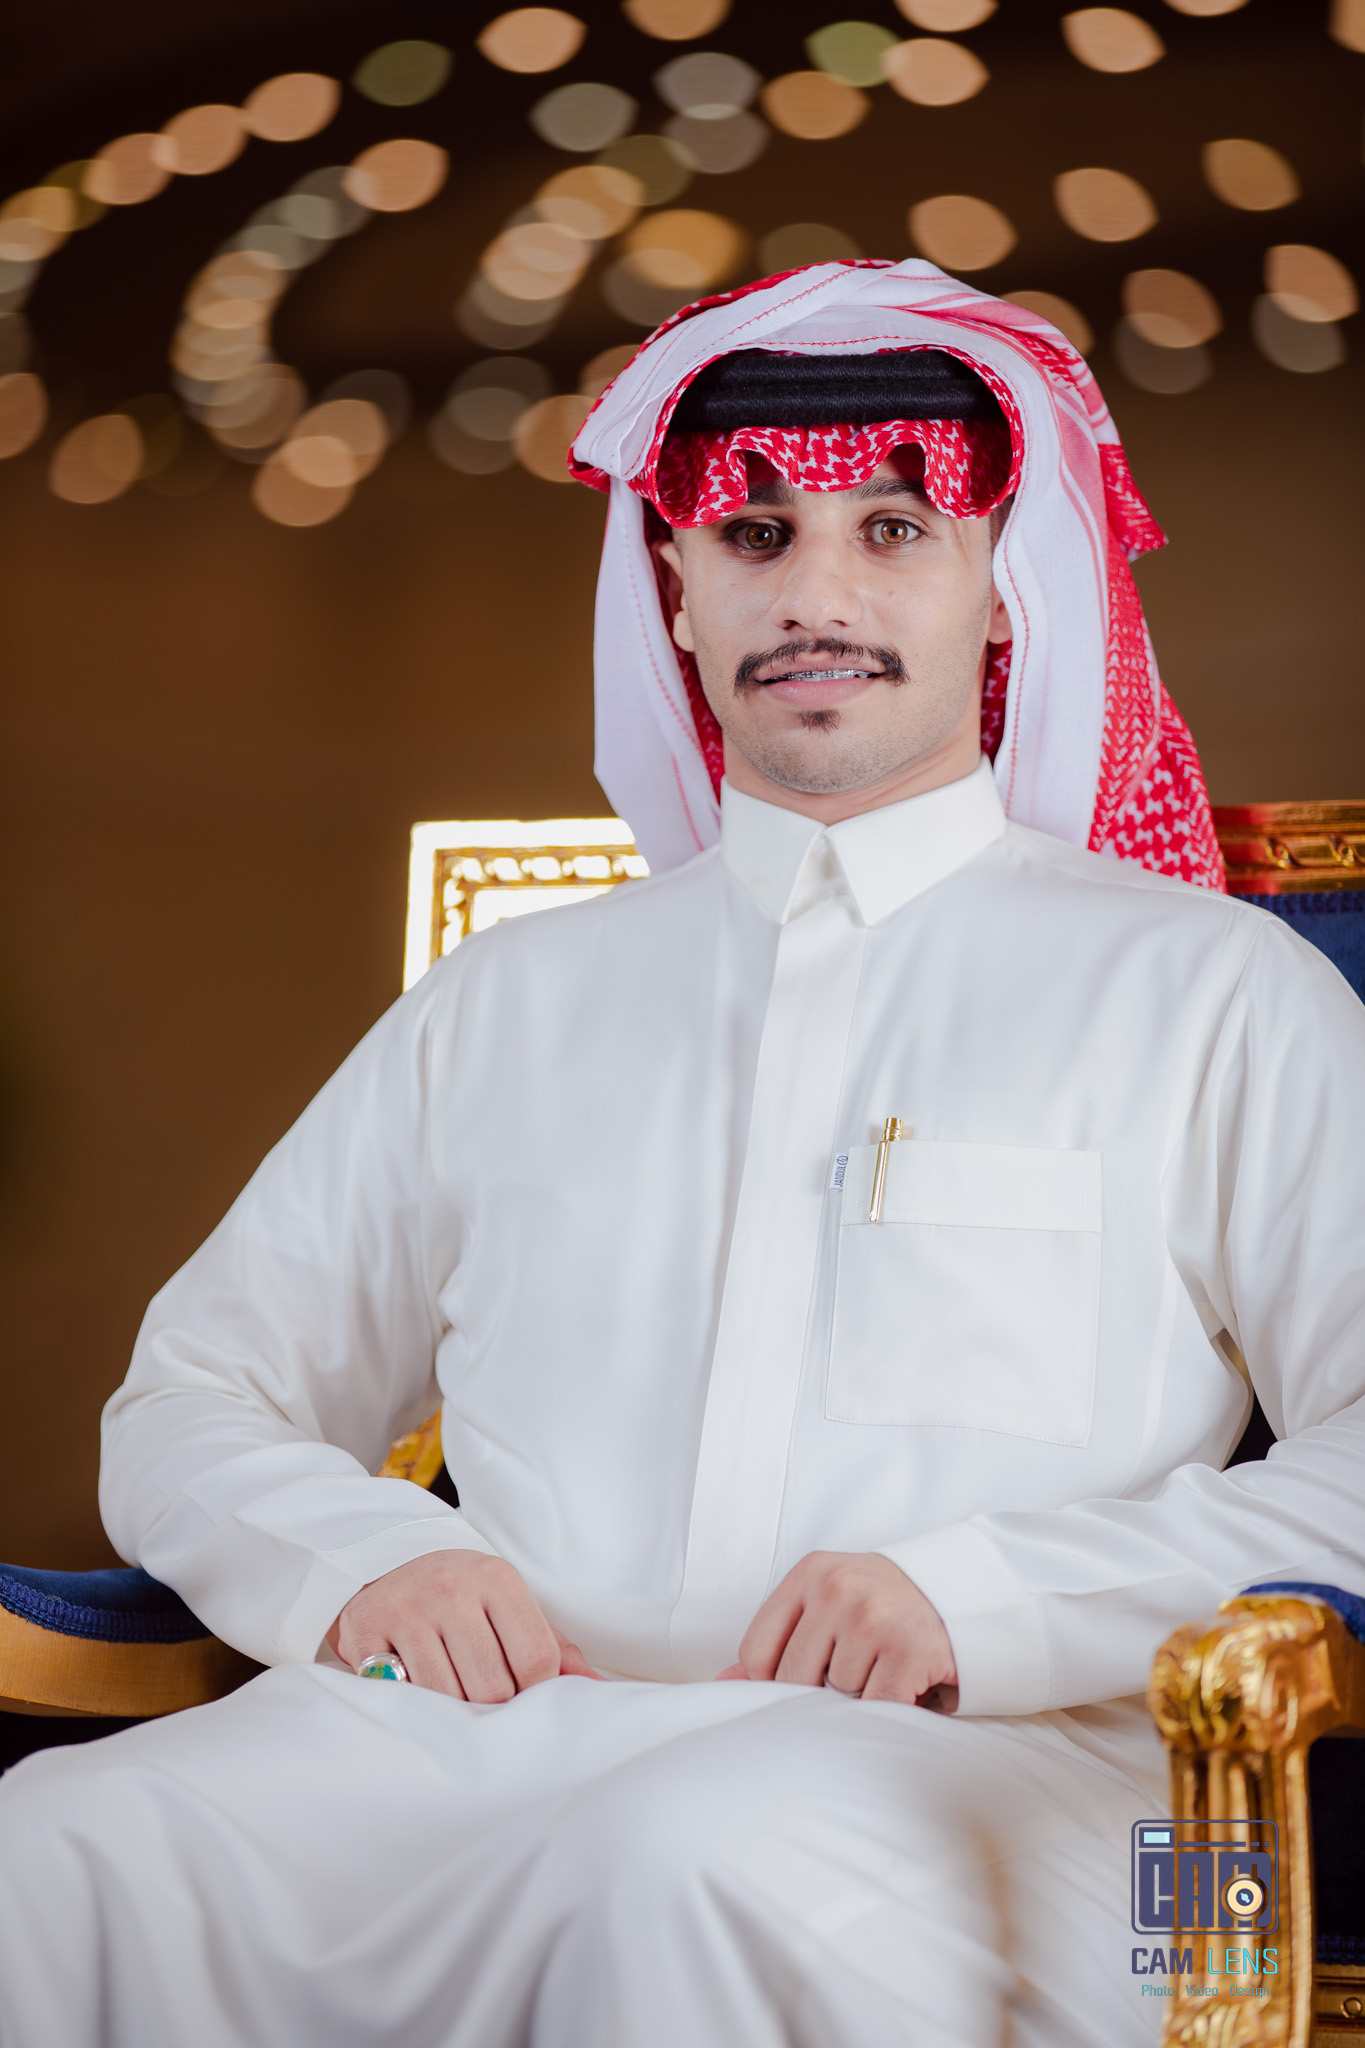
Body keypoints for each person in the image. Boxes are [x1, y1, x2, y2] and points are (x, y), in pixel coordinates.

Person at [2, 257, 1363, 2048]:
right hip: (486, 1733)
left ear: (1002, 585)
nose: (815, 595)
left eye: (893, 531)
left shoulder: (1204, 987)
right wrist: (364, 1563)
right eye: (755, 535)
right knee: (50, 1854)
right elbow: (194, 1393)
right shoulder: (513, 998)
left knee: (678, 1860)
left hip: (1034, 1774)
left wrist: (982, 1598)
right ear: (673, 581)